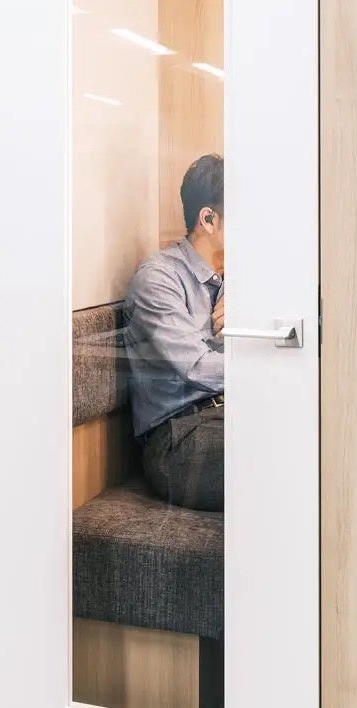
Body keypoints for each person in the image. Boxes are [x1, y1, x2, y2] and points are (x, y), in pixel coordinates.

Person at [124, 154, 226, 511]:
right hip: (178, 439)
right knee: (287, 446)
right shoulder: (159, 278)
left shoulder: (234, 279)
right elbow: (197, 367)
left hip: (226, 415)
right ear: (208, 219)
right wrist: (263, 364)